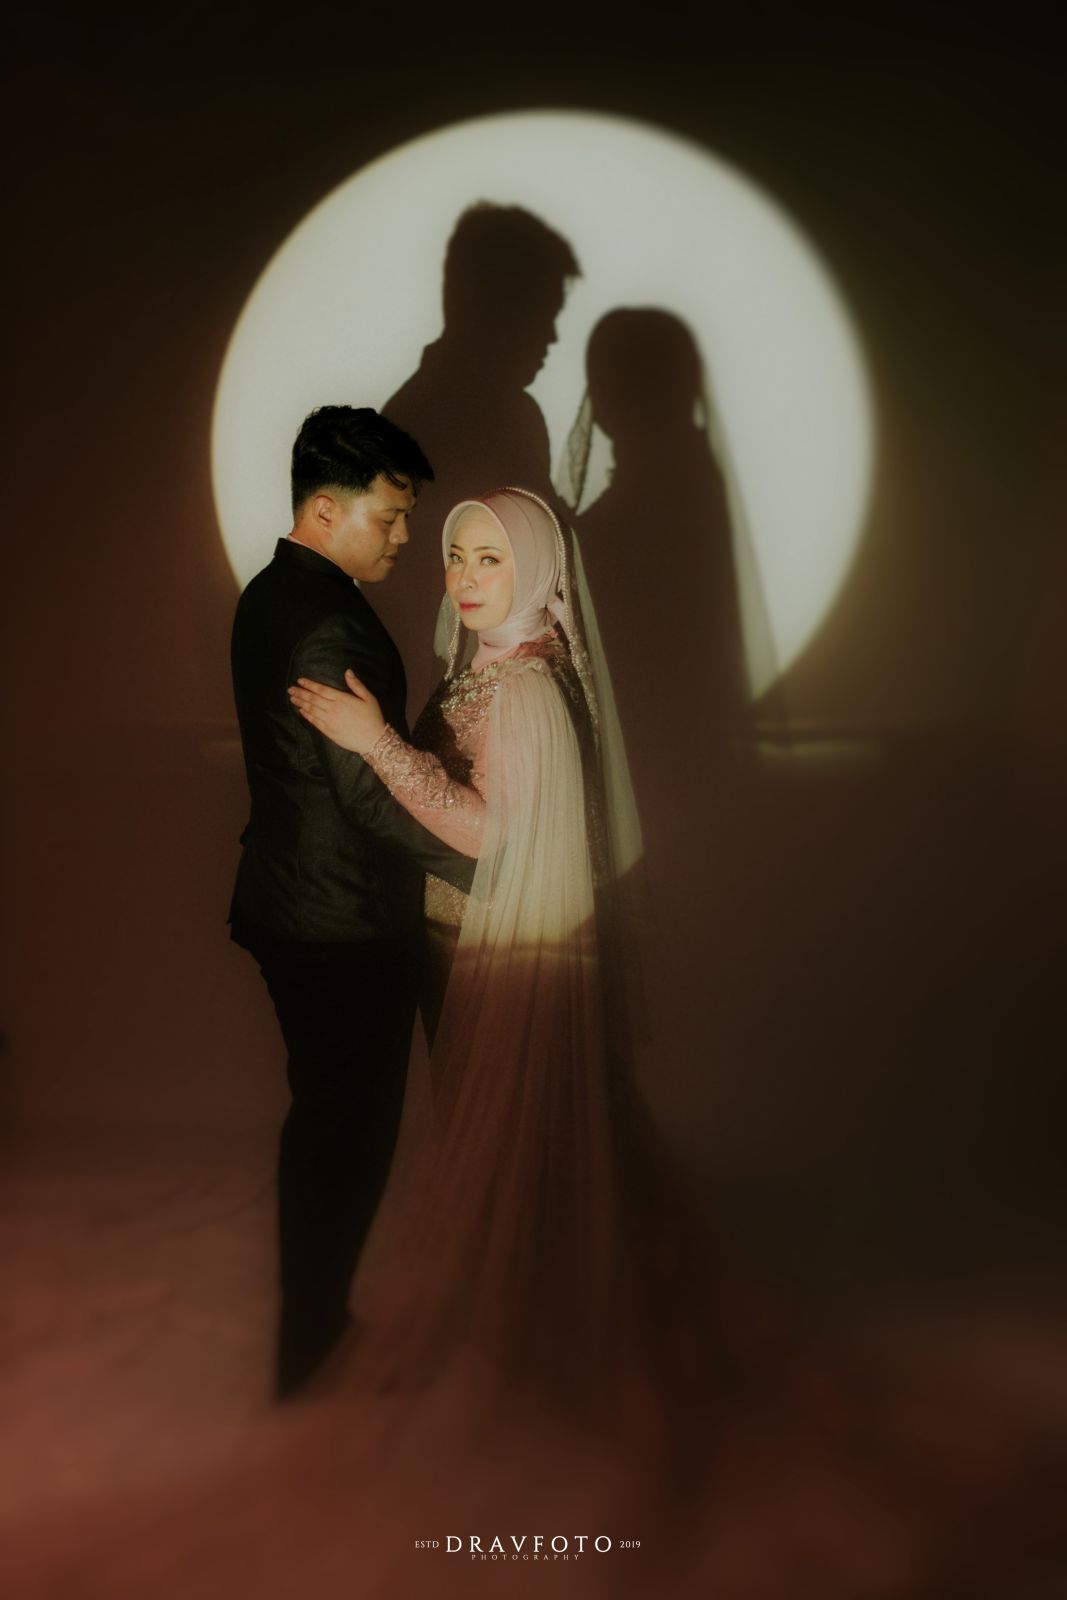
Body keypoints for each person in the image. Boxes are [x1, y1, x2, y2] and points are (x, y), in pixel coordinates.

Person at [287, 486, 719, 1430]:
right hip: (475, 943)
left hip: (499, 953)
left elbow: (490, 836)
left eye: (492, 559)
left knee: (519, 1150)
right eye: (457, 557)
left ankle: (551, 1354)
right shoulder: (505, 660)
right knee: (524, 1149)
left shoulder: (522, 684)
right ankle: (544, 1337)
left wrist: (377, 744)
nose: (467, 578)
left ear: (539, 570)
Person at [229, 405, 475, 1401]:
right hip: (340, 923)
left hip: (295, 905)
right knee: (349, 1137)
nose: (406, 537)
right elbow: (367, 795)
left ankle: (314, 1335)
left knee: (330, 1128)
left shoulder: (271, 591)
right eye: (390, 516)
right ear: (324, 510)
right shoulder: (327, 617)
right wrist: (492, 869)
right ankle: (314, 1349)